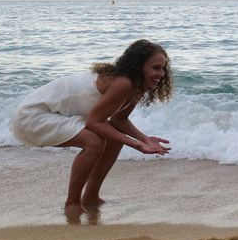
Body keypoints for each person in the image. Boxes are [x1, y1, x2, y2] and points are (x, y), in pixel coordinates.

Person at [11, 39, 173, 219]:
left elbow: (119, 120)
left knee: (113, 137)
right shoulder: (124, 83)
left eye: (163, 68)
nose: (162, 73)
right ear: (139, 66)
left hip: (54, 115)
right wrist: (137, 145)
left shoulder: (136, 85)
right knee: (94, 142)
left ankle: (91, 197)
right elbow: (94, 123)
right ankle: (72, 203)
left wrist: (145, 139)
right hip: (32, 118)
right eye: (156, 68)